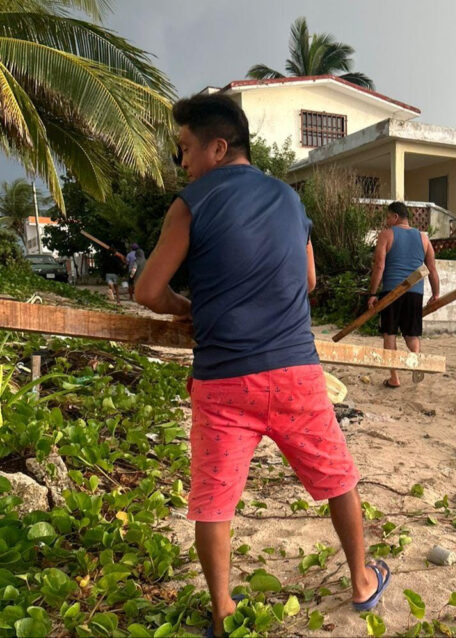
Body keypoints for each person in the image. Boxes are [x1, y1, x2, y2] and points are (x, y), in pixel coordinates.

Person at [135, 94, 389, 638]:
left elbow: (148, 290)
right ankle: (362, 583)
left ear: (217, 146)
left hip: (224, 380)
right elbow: (310, 282)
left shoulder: (190, 203)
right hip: (296, 372)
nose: (181, 163)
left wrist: (189, 309)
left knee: (214, 500)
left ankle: (224, 612)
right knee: (338, 478)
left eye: (184, 149)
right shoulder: (289, 201)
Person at [368, 202, 440, 388]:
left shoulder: (387, 235)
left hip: (392, 291)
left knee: (389, 333)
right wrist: (436, 293)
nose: (386, 221)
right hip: (415, 292)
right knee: (411, 334)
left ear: (395, 217)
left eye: (387, 217)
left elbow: (379, 266)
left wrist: (373, 293)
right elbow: (431, 268)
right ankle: (415, 360)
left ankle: (394, 378)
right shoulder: (423, 238)